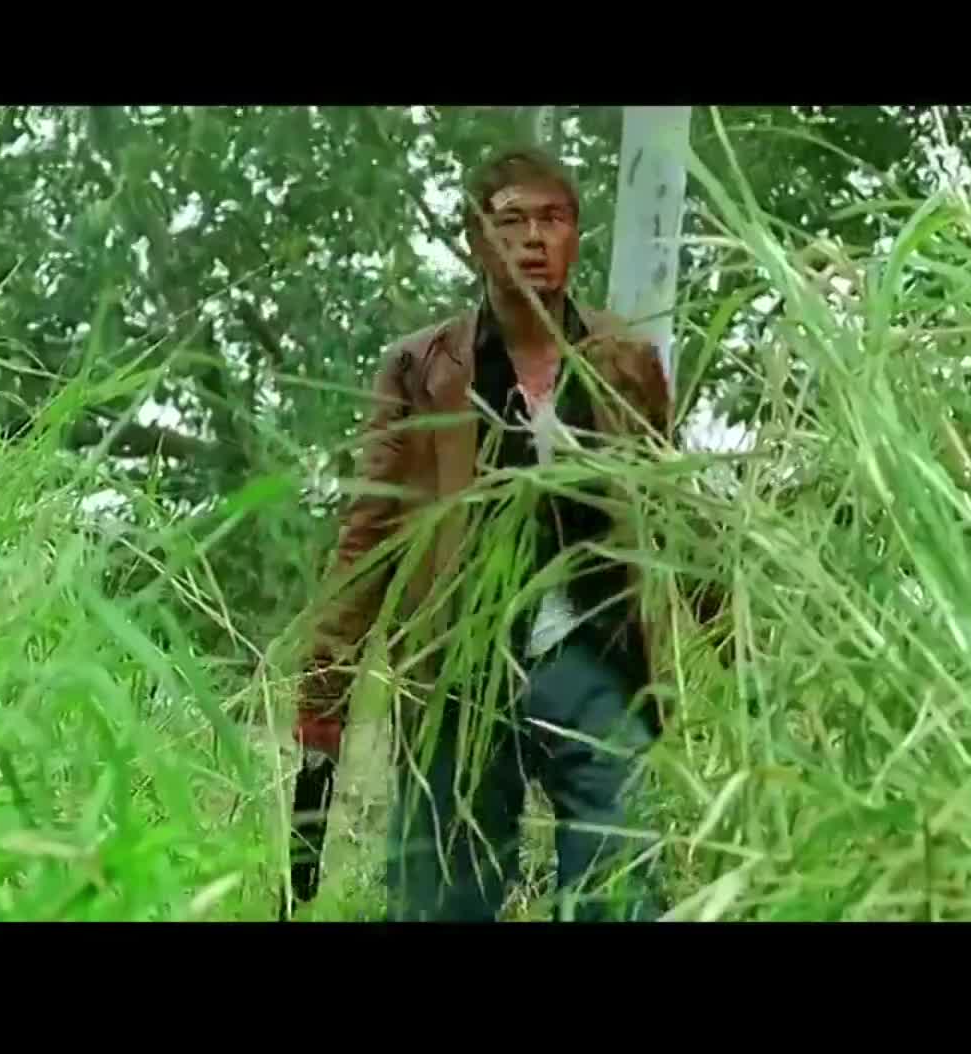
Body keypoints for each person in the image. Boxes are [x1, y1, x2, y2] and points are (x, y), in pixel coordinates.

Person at [290, 146, 719, 922]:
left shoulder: (625, 362)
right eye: (512, 220)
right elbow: (371, 533)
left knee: (619, 880)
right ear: (476, 242)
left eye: (553, 219)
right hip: (459, 664)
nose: (533, 239)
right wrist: (326, 685)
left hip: (591, 654)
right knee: (444, 895)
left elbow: (671, 511)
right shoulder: (423, 368)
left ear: (575, 237)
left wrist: (738, 651)